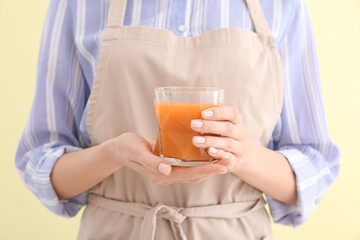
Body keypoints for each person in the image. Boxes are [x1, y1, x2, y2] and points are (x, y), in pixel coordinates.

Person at [16, 0, 341, 239]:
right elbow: (42, 159)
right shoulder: (77, 4)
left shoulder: (283, 6)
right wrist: (113, 154)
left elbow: (312, 166)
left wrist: (242, 155)